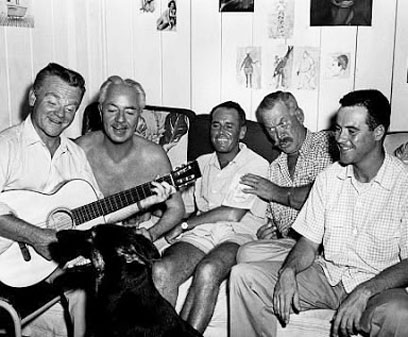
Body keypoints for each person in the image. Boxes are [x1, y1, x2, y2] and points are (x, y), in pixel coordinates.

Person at [230, 89, 408, 337]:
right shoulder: (329, 178)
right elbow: (308, 244)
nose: (340, 138)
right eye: (338, 129)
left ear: (378, 133)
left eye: (351, 131)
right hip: (329, 275)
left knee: (399, 317)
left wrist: (364, 291)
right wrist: (288, 271)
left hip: (380, 285)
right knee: (243, 275)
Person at [0, 64, 174, 337]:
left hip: (53, 265)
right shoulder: (5, 147)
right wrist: (36, 236)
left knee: (92, 288)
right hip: (8, 264)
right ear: (33, 97)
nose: (61, 114)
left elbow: (95, 215)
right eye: (53, 101)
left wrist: (143, 202)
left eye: (71, 107)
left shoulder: (75, 153)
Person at [153, 101, 269, 333]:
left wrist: (185, 225)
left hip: (238, 235)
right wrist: (157, 206)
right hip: (202, 233)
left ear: (242, 132)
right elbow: (183, 207)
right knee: (161, 270)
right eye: (216, 125)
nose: (221, 132)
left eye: (229, 126)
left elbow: (233, 213)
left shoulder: (257, 164)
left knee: (208, 270)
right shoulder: (201, 163)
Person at [76, 75, 185, 244]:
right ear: (100, 111)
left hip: (133, 237)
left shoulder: (154, 156)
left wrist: (151, 234)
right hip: (87, 237)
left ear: (140, 114)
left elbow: (176, 208)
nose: (120, 120)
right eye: (112, 110)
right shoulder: (79, 150)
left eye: (129, 112)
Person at [237, 91, 337, 263]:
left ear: (299, 115)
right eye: (271, 129)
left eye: (283, 124)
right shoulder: (274, 169)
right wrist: (268, 234)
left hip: (324, 246)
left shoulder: (329, 145)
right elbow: (271, 223)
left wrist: (275, 192)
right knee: (246, 253)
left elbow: (331, 197)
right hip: (289, 247)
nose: (279, 135)